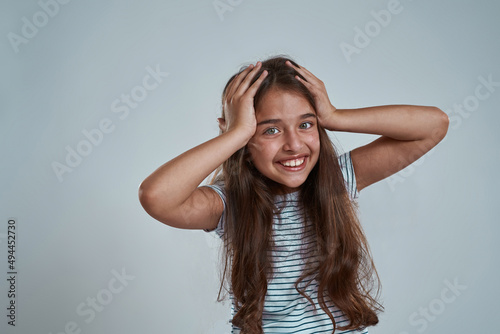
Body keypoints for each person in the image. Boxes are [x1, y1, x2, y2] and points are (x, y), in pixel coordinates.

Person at [138, 55, 449, 334]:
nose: (294, 144)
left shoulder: (336, 180)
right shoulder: (227, 204)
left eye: (305, 124)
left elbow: (434, 125)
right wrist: (235, 134)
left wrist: (335, 116)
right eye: (270, 130)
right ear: (243, 141)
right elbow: (156, 197)